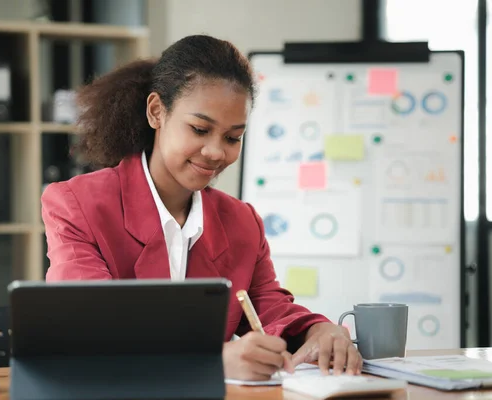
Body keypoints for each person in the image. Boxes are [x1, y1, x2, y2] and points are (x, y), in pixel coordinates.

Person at [41, 34, 362, 381]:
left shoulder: (242, 221)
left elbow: (270, 306)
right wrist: (212, 361)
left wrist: (318, 331)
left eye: (232, 137)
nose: (215, 152)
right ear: (156, 112)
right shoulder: (76, 204)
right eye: (199, 129)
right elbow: (90, 325)